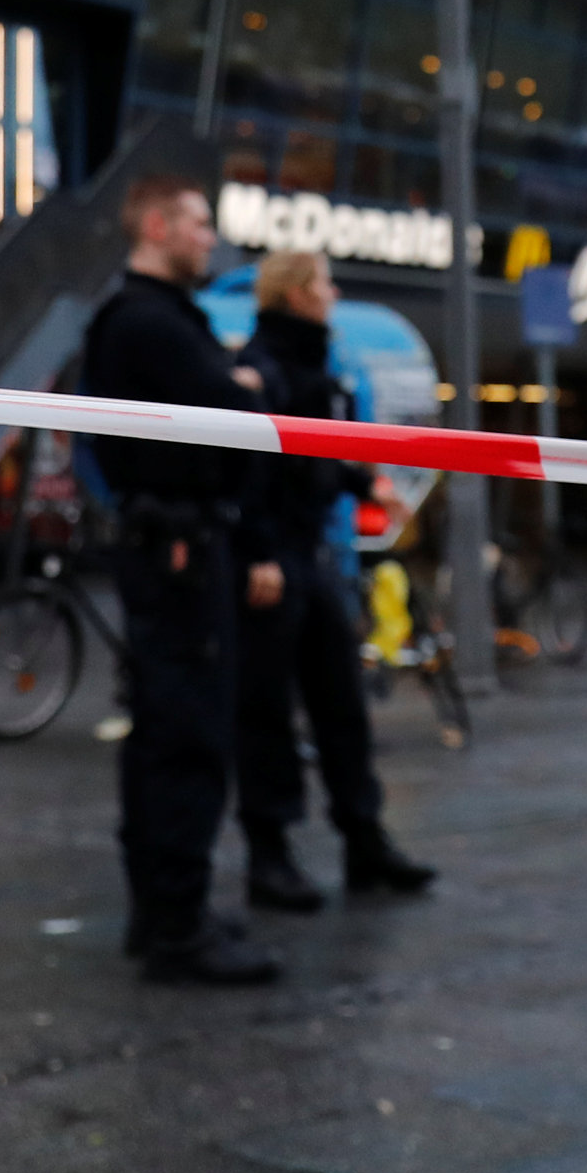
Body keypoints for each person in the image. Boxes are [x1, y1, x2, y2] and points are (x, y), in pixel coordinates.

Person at [80, 171, 282, 987]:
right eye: (199, 224)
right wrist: (239, 384)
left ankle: (165, 912)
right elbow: (229, 413)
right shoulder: (147, 323)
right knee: (186, 735)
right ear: (157, 226)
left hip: (177, 549)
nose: (211, 239)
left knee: (167, 732)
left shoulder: (153, 320)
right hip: (179, 554)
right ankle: (177, 926)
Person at [230, 249, 436, 913]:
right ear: (295, 293)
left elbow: (314, 457)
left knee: (341, 702)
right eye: (322, 282)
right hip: (277, 555)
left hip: (313, 551)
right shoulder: (263, 364)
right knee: (267, 709)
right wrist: (259, 551)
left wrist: (363, 481)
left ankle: (364, 838)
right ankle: (271, 854)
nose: (333, 291)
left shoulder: (317, 360)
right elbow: (251, 466)